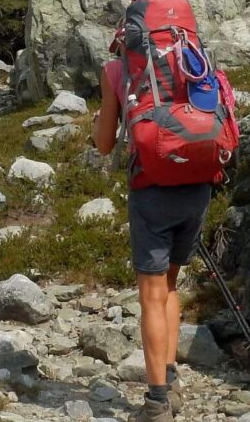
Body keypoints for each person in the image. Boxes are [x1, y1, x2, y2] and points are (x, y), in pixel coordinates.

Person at [94, 52, 213, 421]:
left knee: (151, 294)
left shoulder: (117, 70)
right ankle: (171, 380)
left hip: (152, 189)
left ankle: (157, 403)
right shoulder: (193, 57)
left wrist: (99, 121)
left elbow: (103, 144)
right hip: (197, 183)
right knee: (171, 285)